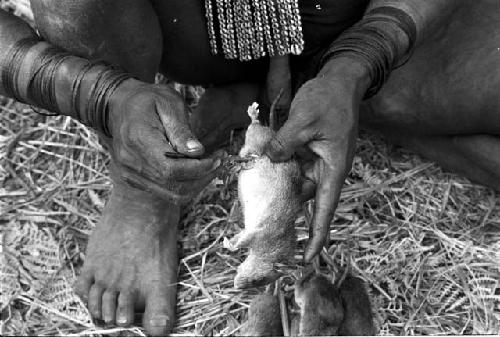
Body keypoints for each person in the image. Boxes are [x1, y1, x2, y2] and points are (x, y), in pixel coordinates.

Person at [1, 0, 499, 335]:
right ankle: (146, 182)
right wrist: (102, 95)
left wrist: (360, 61)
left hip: (371, 14)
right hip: (201, 20)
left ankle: (335, 92)